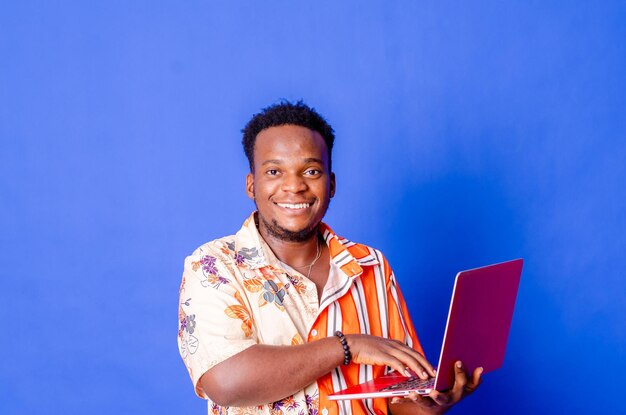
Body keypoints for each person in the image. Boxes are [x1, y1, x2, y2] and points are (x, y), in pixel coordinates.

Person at [177, 101, 482, 415]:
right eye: (274, 171)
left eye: (311, 171)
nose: (294, 186)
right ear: (251, 185)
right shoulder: (214, 266)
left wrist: (431, 404)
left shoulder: (371, 265)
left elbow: (398, 399)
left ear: (331, 184)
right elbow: (225, 382)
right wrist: (345, 347)